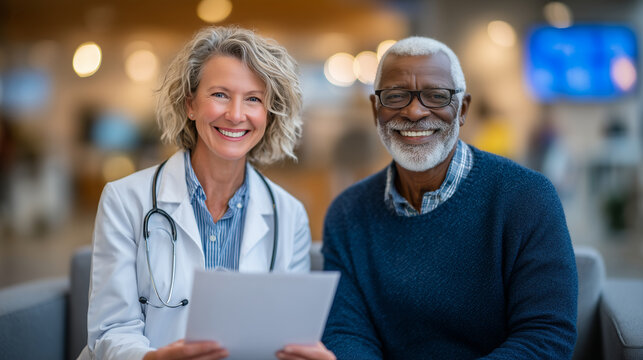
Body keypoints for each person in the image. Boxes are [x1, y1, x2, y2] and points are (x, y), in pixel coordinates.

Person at [85, 26, 334, 360]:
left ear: (268, 113)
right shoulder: (124, 200)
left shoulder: (289, 215)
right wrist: (154, 359)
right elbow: (109, 331)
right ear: (190, 104)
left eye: (253, 99)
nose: (235, 114)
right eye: (220, 94)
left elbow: (283, 337)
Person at [321, 36, 578, 359]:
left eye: (436, 96)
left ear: (462, 109)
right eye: (396, 96)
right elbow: (345, 333)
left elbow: (545, 337)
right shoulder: (347, 213)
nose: (415, 111)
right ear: (376, 109)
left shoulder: (527, 198)